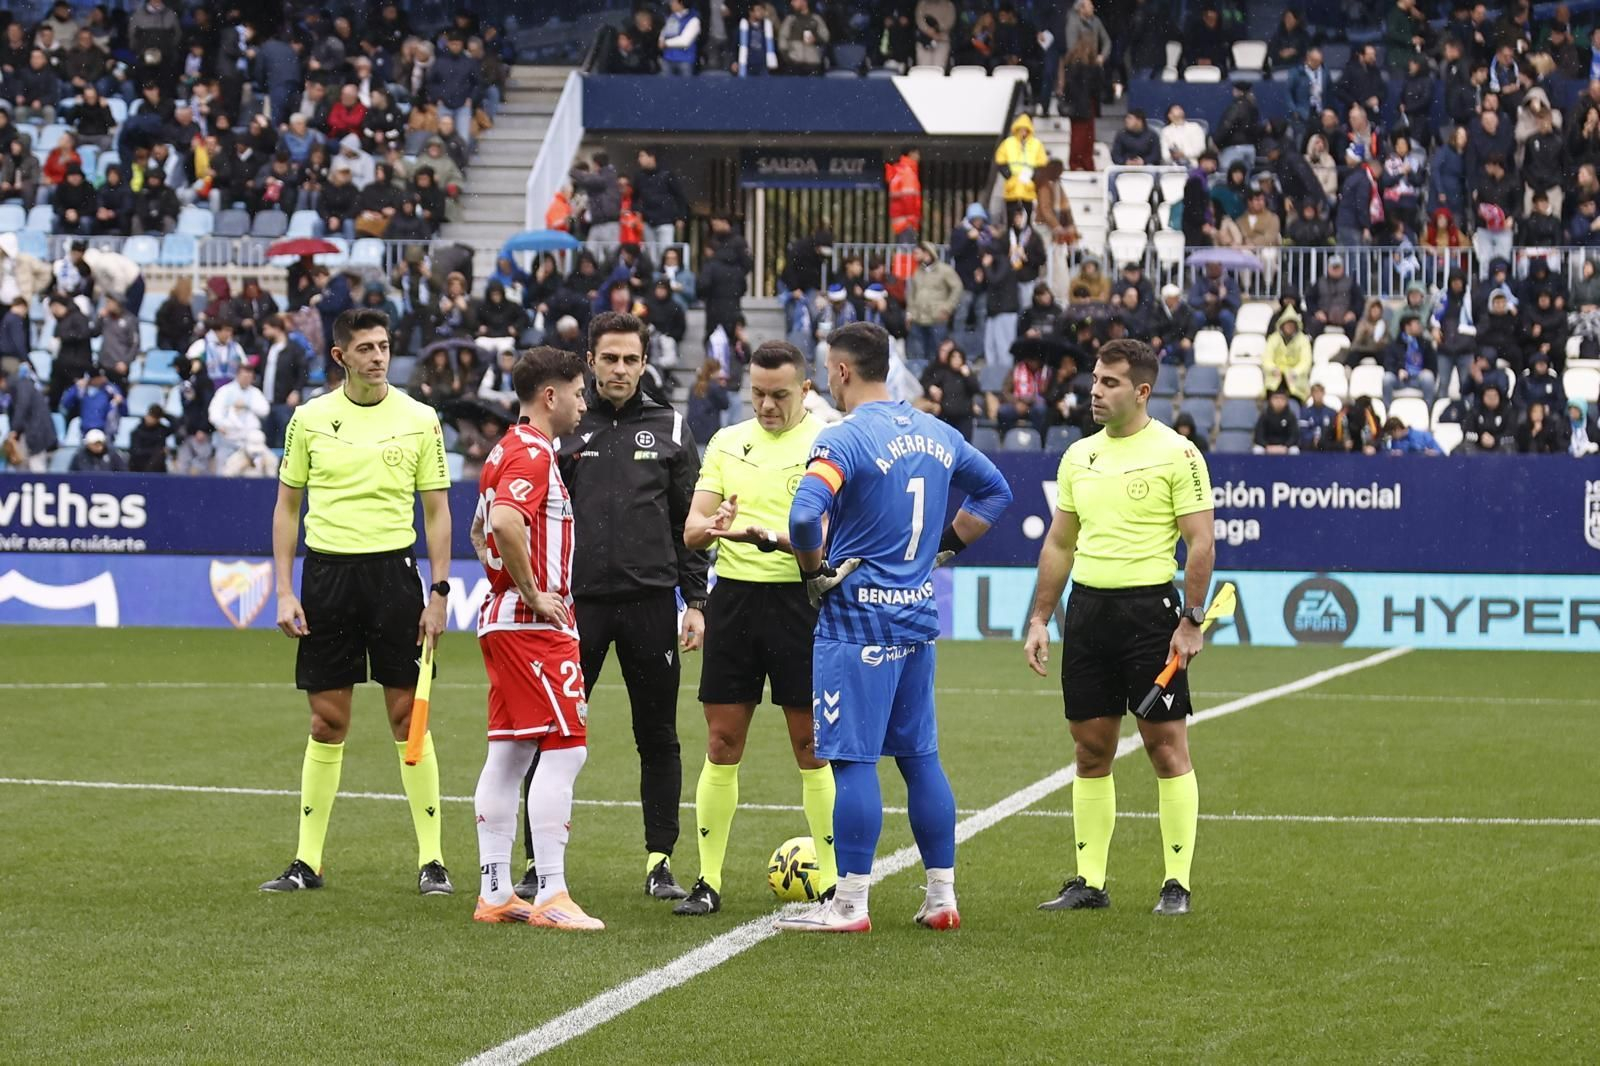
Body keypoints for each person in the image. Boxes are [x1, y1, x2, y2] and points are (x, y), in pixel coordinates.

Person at [777, 322, 1012, 933]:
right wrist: (944, 547)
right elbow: (996, 492)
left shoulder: (844, 438)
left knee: (853, 763)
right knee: (920, 759)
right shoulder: (938, 432)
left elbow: (805, 517)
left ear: (842, 372)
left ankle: (850, 904)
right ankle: (941, 897)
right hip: (914, 618)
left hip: (855, 624)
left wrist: (813, 571)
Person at [516, 311, 710, 902]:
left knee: (658, 735)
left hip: (652, 604)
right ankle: (536, 863)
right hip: (574, 610)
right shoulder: (565, 425)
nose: (620, 369)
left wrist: (696, 600)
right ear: (590, 362)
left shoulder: (672, 426)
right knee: (551, 735)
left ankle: (659, 860)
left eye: (631, 359)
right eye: (609, 359)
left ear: (645, 362)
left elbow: (688, 522)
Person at [260, 308, 453, 896]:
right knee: (327, 721)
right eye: (366, 347)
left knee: (408, 720)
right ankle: (307, 861)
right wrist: (286, 589)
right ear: (341, 355)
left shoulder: (421, 418)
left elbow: (438, 511)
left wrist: (439, 591)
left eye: (385, 346)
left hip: (395, 579)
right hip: (327, 580)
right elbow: (288, 507)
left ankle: (433, 861)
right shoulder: (310, 419)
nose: (378, 356)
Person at [1024, 338, 1215, 918]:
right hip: (1087, 613)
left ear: (1142, 391)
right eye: (1094, 381)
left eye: (1109, 383)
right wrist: (1039, 617)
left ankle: (1175, 883)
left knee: (1164, 747)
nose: (1095, 391)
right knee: (1090, 750)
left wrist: (1189, 619)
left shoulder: (1178, 454)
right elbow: (1060, 542)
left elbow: (1200, 541)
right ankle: (1090, 881)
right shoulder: (1078, 456)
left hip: (1150, 616)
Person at [674, 341, 834, 916]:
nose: (766, 405)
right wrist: (716, 525)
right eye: (758, 394)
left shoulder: (828, 443)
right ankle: (708, 880)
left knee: (811, 746)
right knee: (722, 742)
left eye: (779, 395)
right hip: (735, 601)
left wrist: (781, 541)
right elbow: (692, 531)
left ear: (806, 390)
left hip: (802, 600)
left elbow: (840, 538)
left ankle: (833, 882)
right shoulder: (725, 441)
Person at [463, 347, 605, 930]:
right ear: (550, 396)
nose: (582, 402)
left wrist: (503, 581)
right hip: (532, 626)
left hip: (503, 619)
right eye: (577, 392)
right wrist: (532, 590)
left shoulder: (503, 450)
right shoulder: (532, 453)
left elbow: (479, 526)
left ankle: (495, 891)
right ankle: (551, 892)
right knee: (567, 748)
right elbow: (500, 524)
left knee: (512, 752)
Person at [994, 113, 1049, 222]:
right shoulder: (1008, 143)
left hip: (1028, 187)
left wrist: (1033, 176)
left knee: (1027, 219)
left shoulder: (1036, 144)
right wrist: (1008, 174)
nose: (1023, 132)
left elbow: (1042, 163)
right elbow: (1000, 159)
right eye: (1021, 129)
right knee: (1011, 219)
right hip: (1012, 187)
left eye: (1025, 129)